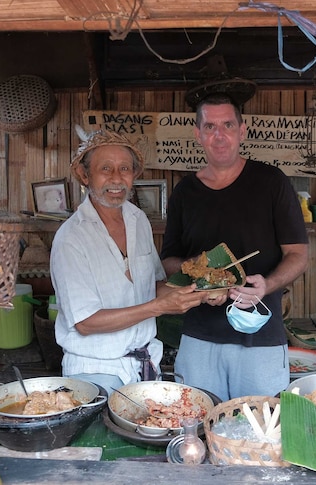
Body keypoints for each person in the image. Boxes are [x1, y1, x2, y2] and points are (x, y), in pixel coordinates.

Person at [161, 94, 309, 400]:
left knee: (260, 430)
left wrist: (267, 285)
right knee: (198, 426)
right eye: (210, 126)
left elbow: (298, 254)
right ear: (198, 134)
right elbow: (169, 261)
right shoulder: (185, 192)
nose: (219, 134)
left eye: (228, 124)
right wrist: (200, 281)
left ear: (242, 130)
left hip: (261, 337)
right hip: (198, 337)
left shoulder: (272, 183)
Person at [49, 129, 205, 393]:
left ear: (134, 175)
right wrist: (158, 307)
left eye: (124, 168)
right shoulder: (71, 238)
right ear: (85, 176)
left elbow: (152, 288)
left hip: (143, 367)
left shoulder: (137, 220)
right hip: (96, 374)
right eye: (105, 168)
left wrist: (198, 289)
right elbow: (85, 323)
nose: (116, 178)